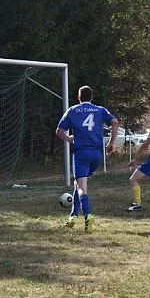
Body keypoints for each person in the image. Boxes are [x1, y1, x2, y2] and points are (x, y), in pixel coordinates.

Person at [56, 85, 118, 234]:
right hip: (96, 154)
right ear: (92, 97)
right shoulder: (100, 110)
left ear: (78, 97)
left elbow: (59, 131)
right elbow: (115, 122)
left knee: (82, 187)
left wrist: (69, 139)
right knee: (79, 183)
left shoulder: (73, 110)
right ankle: (72, 216)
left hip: (81, 153)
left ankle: (88, 215)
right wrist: (111, 143)